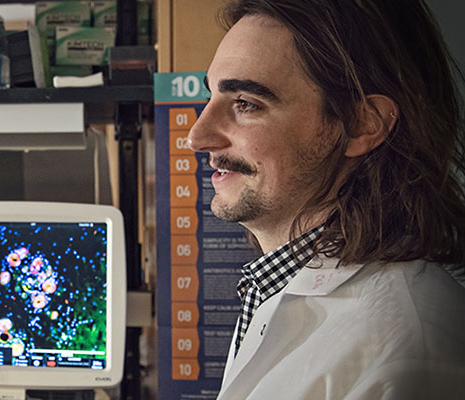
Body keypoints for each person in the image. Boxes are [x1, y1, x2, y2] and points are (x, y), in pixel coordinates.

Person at [187, 0, 465, 398]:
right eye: (211, 96)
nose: (197, 137)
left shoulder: (407, 349)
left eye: (245, 104)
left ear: (361, 124)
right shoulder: (277, 288)